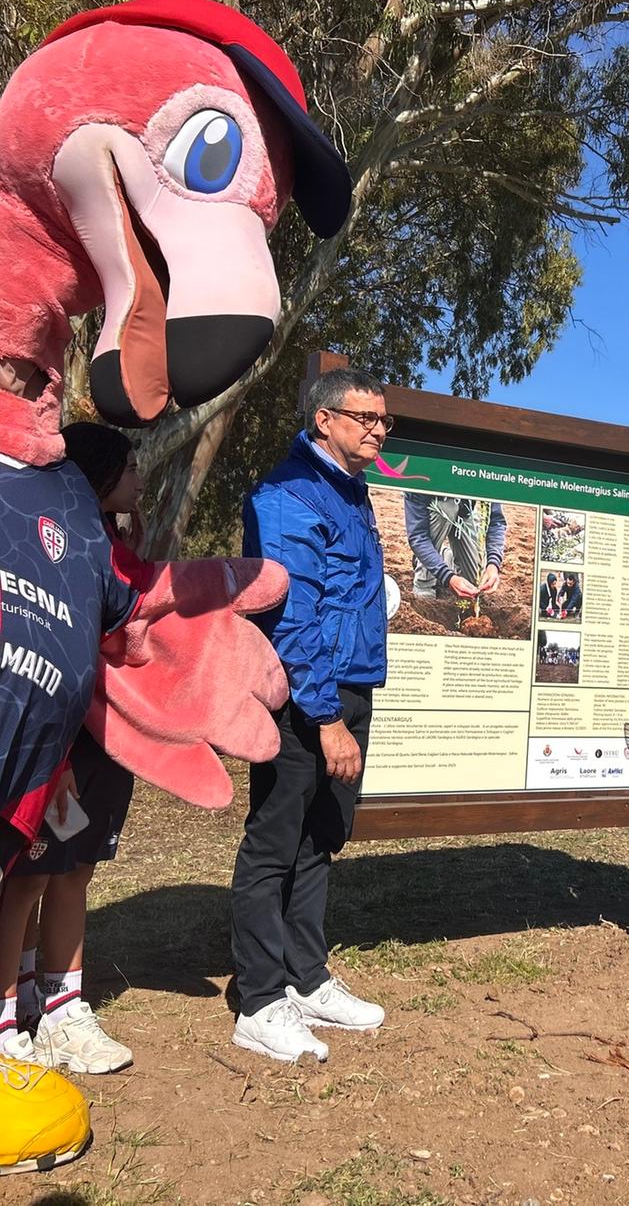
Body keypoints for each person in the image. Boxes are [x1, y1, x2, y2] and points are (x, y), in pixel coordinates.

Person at [231, 367, 391, 1062]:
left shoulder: (351, 492)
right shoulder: (290, 493)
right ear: (325, 420)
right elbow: (293, 614)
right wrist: (324, 717)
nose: (379, 430)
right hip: (302, 696)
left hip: (348, 687)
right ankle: (261, 1000)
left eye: (384, 420)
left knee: (321, 835)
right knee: (275, 841)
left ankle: (306, 976)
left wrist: (347, 703)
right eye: (367, 418)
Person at [0, 424, 149, 1072]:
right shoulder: (49, 536)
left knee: (75, 868)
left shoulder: (116, 545)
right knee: (28, 876)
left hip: (109, 739)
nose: (140, 477)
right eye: (129, 466)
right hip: (58, 742)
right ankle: (16, 1008)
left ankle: (57, 1003)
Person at [404, 494, 506, 601]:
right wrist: (447, 577)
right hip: (435, 511)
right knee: (448, 506)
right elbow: (418, 536)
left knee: (475, 581)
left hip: (466, 511)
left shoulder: (485, 479)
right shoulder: (420, 483)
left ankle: (440, 557)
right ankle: (424, 578)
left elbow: (496, 520)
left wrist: (493, 564)